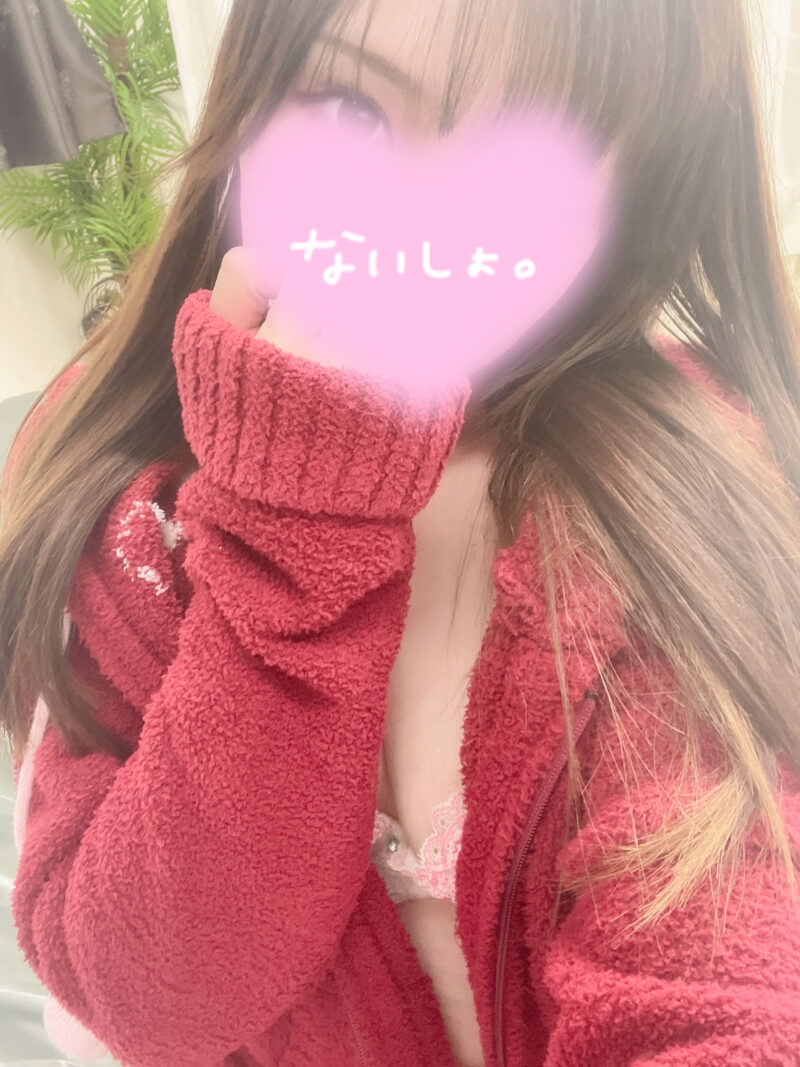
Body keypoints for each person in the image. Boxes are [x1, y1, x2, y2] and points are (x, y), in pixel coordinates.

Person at [2, 1, 800, 1065]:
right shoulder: (125, 505)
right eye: (353, 112)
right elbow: (148, 997)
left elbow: (722, 982)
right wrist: (287, 530)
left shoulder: (676, 506)